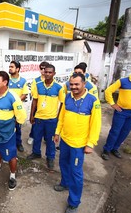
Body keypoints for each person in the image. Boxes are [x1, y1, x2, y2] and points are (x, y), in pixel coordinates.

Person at [53, 73, 101, 213]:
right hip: (65, 141)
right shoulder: (67, 97)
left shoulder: (93, 101)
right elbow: (62, 116)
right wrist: (57, 132)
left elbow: (96, 124)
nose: (73, 87)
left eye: (76, 84)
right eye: (71, 84)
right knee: (63, 164)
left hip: (79, 144)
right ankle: (65, 183)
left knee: (76, 173)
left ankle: (74, 202)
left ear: (84, 84)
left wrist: (90, 143)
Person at [0, 71, 27, 190]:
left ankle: (13, 176)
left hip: (7, 133)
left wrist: (10, 125)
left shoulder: (13, 97)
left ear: (5, 82)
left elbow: (21, 117)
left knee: (11, 155)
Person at [101, 63, 131, 160]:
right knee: (115, 131)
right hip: (121, 112)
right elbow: (108, 91)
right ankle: (106, 150)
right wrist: (112, 104)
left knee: (125, 131)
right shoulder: (123, 81)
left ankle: (115, 148)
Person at [27, 64, 64, 170]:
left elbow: (62, 103)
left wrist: (58, 117)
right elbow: (34, 100)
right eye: (45, 71)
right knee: (37, 137)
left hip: (51, 119)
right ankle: (36, 153)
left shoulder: (59, 87)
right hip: (39, 117)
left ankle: (50, 157)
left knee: (50, 140)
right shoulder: (38, 85)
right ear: (43, 72)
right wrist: (31, 115)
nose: (47, 74)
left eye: (50, 72)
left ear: (54, 73)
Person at [28, 61, 50, 145]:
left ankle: (45, 138)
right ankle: (32, 136)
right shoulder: (36, 81)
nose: (43, 70)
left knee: (47, 125)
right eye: (42, 68)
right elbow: (34, 97)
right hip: (38, 106)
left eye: (45, 68)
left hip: (48, 108)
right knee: (35, 123)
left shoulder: (53, 81)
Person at [8, 61, 29, 152]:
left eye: (12, 67)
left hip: (17, 109)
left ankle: (18, 143)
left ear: (17, 69)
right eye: (9, 66)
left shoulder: (23, 81)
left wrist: (15, 104)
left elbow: (24, 94)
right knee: (8, 126)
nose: (10, 68)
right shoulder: (6, 79)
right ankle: (8, 143)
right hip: (7, 108)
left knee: (18, 126)